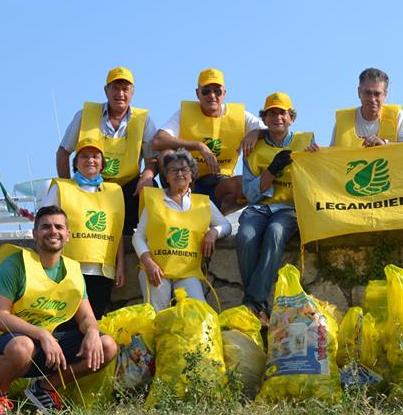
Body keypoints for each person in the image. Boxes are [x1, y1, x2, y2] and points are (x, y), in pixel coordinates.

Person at [0, 206, 118, 415]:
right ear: (35, 234)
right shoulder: (15, 265)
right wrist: (42, 335)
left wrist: (91, 333)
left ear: (68, 235)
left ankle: (45, 389)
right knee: (22, 345)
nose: (53, 231)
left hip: (45, 346)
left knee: (107, 345)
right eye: (46, 227)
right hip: (1, 346)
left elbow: (87, 318)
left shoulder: (72, 270)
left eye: (59, 226)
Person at [238, 92, 317, 322]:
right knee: (245, 235)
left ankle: (253, 303)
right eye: (272, 113)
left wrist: (316, 158)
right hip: (260, 208)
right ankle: (258, 305)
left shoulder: (306, 141)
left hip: (289, 208)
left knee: (275, 232)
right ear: (264, 119)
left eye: (282, 113)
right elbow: (250, 193)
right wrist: (271, 171)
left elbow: (318, 177)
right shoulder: (253, 147)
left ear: (291, 117)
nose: (277, 118)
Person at [56, 66, 157, 237]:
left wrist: (147, 175)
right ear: (106, 90)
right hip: (92, 187)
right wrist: (69, 189)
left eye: (125, 89)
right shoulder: (84, 115)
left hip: (128, 188)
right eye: (115, 88)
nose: (120, 94)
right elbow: (63, 152)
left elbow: (153, 159)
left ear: (132, 92)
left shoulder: (143, 120)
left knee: (152, 187)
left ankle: (145, 238)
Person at [151, 68, 264, 214]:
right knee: (167, 154)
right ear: (197, 93)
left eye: (217, 91)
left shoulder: (240, 115)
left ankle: (222, 219)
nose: (212, 96)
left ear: (224, 93)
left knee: (243, 184)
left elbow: (270, 130)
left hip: (220, 182)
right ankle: (181, 206)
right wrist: (199, 146)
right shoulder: (184, 113)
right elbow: (158, 141)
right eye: (206, 91)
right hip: (189, 181)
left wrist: (256, 133)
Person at [133, 149, 231, 310]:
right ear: (166, 176)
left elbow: (226, 225)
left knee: (198, 313)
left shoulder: (203, 203)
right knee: (158, 314)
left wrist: (213, 232)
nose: (179, 173)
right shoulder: (154, 199)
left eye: (184, 169)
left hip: (187, 271)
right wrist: (148, 262)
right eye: (173, 170)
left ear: (192, 175)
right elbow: (138, 237)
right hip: (157, 270)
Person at [42, 135, 125, 319]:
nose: (90, 161)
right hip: (68, 268)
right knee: (65, 321)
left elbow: (117, 231)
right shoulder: (61, 188)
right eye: (84, 156)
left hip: (102, 270)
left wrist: (120, 265)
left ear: (102, 163)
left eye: (95, 157)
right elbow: (44, 225)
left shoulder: (114, 192)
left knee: (93, 321)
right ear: (76, 163)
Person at [331, 68, 403, 147]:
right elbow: (332, 156)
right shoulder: (343, 121)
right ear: (359, 92)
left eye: (377, 94)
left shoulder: (396, 116)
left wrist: (385, 144)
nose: (372, 99)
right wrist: (318, 152)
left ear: (385, 95)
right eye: (368, 93)